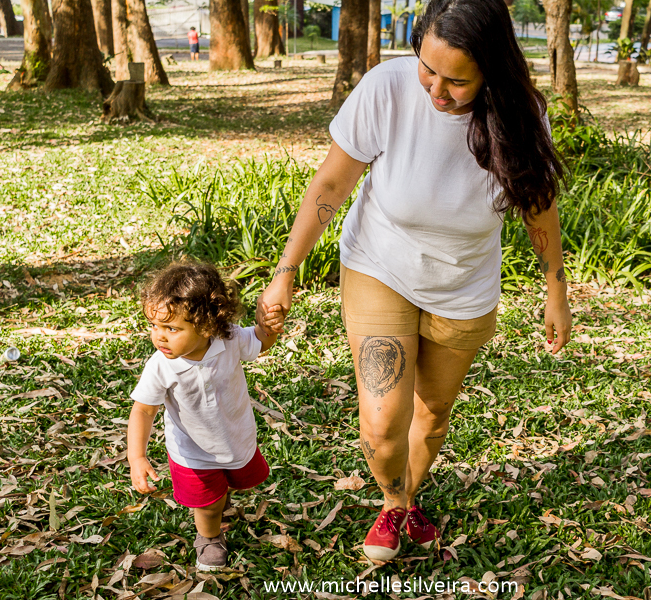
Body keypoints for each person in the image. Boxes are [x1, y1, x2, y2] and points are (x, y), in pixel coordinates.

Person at [257, 0, 572, 562]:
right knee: (382, 424)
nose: (436, 90)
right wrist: (285, 273)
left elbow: (537, 207)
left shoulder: (522, 114)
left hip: (465, 289)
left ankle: (398, 507)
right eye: (428, 67)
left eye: (457, 80)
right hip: (381, 267)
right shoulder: (388, 87)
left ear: (493, 72)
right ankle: (393, 495)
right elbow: (331, 183)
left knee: (431, 411)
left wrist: (556, 290)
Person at [128, 261, 284, 571]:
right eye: (154, 326)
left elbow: (259, 341)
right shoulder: (160, 366)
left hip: (235, 437)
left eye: (171, 329)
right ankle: (209, 537)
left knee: (238, 481)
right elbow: (143, 410)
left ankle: (218, 495)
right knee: (209, 506)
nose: (159, 337)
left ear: (206, 325)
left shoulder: (228, 340)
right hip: (193, 453)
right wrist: (137, 457)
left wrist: (269, 326)